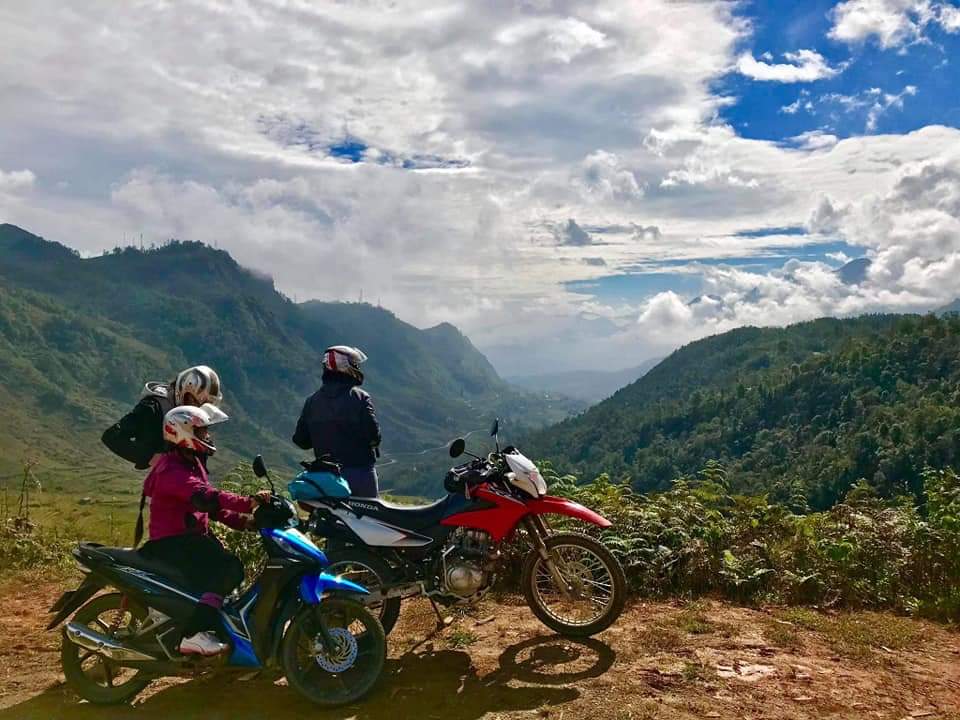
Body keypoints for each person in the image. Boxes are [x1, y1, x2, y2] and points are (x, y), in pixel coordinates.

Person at [137, 403, 268, 656]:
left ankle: (217, 628)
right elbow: (206, 496)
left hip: (189, 539)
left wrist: (245, 522)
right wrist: (248, 502)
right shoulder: (171, 470)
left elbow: (210, 508)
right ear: (183, 433)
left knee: (226, 570)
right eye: (202, 431)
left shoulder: (189, 463)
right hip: (172, 543)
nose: (207, 437)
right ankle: (194, 634)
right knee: (229, 569)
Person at [293, 345, 381, 497]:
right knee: (369, 518)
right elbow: (374, 436)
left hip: (326, 478)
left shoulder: (312, 401)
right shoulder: (360, 397)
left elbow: (301, 441)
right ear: (346, 366)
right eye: (355, 363)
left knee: (327, 518)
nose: (358, 366)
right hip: (359, 473)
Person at [102, 365, 224, 469]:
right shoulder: (152, 408)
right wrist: (151, 457)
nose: (197, 410)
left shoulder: (194, 417)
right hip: (161, 481)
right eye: (195, 402)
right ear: (184, 391)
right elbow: (112, 436)